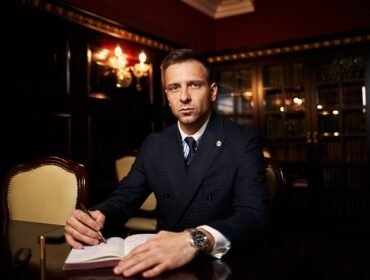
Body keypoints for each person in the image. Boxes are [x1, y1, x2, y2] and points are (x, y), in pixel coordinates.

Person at [65, 48, 269, 278]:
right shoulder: (155, 144)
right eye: (174, 88)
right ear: (167, 96)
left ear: (212, 92)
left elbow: (254, 216)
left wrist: (195, 239)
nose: (184, 97)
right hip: (160, 265)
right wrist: (97, 216)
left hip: (218, 266)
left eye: (194, 85)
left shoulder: (242, 140)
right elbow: (125, 197)